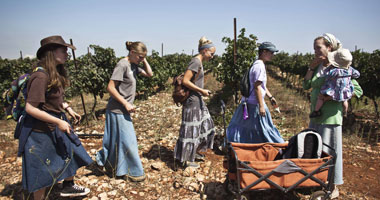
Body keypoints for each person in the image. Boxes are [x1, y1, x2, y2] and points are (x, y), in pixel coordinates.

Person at [21, 35, 93, 199]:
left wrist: (67, 109)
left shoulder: (54, 73)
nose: (67, 54)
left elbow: (53, 99)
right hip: (40, 131)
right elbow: (30, 108)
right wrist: (58, 121)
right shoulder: (40, 76)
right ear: (51, 53)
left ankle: (68, 185)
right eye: (64, 50)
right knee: (41, 172)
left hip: (55, 124)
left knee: (71, 152)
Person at [303, 33, 363, 199]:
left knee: (332, 152)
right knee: (315, 149)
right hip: (315, 115)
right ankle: (316, 181)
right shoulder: (317, 67)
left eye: (318, 47)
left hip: (331, 116)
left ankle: (333, 186)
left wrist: (333, 96)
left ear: (329, 47)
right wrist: (310, 68)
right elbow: (306, 85)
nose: (315, 51)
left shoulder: (340, 67)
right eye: (314, 48)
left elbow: (356, 90)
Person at [96, 41, 153, 182]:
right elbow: (110, 87)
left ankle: (111, 166)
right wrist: (125, 103)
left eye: (143, 57)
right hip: (117, 109)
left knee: (116, 140)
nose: (141, 60)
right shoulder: (122, 65)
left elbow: (150, 74)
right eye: (139, 56)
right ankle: (133, 172)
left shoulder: (133, 65)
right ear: (132, 53)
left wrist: (143, 59)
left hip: (123, 110)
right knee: (129, 141)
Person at [226, 42, 284, 144]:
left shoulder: (256, 64)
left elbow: (262, 86)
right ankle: (278, 146)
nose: (273, 55)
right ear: (264, 52)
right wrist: (261, 105)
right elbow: (257, 86)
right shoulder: (260, 66)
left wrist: (270, 97)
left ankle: (240, 143)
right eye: (271, 52)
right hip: (255, 104)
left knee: (244, 125)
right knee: (265, 126)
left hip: (248, 102)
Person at [173, 36, 216, 169]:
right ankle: (186, 159)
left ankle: (195, 151)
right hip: (192, 101)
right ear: (204, 51)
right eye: (211, 53)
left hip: (198, 100)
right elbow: (186, 81)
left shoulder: (199, 62)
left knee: (207, 126)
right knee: (190, 129)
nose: (212, 56)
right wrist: (201, 90)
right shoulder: (196, 62)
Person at [310, 48, 360, 118]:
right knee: (345, 100)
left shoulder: (335, 71)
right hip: (344, 90)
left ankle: (316, 111)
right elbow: (357, 74)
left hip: (333, 90)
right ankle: (345, 111)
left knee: (320, 97)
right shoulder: (350, 69)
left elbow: (327, 74)